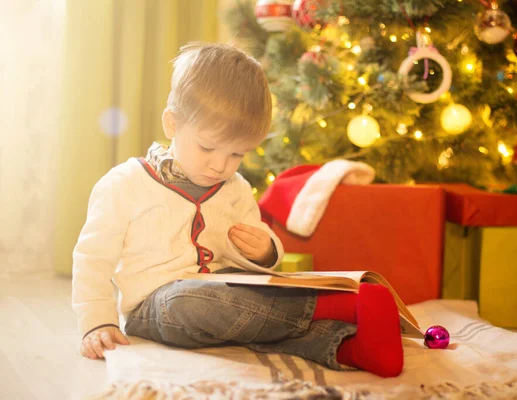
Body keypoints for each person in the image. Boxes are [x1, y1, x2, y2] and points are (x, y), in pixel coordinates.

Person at [72, 43, 403, 377]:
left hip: (231, 294)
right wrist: (97, 321)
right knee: (189, 301)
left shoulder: (236, 188)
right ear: (172, 123)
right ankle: (339, 307)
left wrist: (263, 252)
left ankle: (349, 347)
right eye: (208, 147)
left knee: (252, 306)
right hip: (158, 306)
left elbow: (258, 254)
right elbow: (92, 259)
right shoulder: (124, 184)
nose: (220, 166)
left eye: (237, 154)